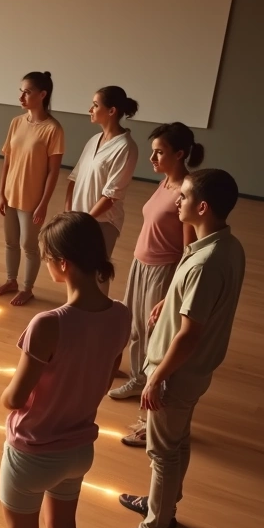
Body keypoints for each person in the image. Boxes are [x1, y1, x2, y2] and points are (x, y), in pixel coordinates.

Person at [0, 212, 130, 528]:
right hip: (79, 449)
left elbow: (15, 398)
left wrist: (4, 397)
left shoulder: (48, 324)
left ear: (62, 263)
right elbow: (106, 375)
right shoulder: (121, 314)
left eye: (47, 258)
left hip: (31, 453)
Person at [105, 168, 245, 528]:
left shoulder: (205, 262)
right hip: (195, 371)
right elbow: (201, 302)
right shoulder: (224, 246)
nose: (177, 201)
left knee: (161, 452)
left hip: (176, 374)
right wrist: (170, 300)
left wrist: (155, 379)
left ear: (201, 206)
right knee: (177, 442)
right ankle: (162, 506)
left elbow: (189, 334)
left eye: (182, 197)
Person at [108, 124, 202, 448]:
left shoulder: (185, 191)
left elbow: (189, 249)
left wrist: (173, 291)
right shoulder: (165, 181)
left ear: (179, 154)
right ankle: (137, 381)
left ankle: (149, 418)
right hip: (140, 264)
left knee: (155, 340)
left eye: (159, 152)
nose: (152, 157)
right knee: (134, 329)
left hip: (163, 271)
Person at [0, 72, 65, 306]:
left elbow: (53, 171)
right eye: (21, 91)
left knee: (29, 245)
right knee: (10, 241)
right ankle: (11, 280)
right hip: (11, 194)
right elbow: (7, 161)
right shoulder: (16, 122)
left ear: (42, 94)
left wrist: (43, 203)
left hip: (32, 198)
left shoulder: (53, 129)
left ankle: (27, 288)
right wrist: (1, 193)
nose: (21, 96)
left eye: (27, 92)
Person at [65, 86, 140, 295]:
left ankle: (99, 317)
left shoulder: (126, 147)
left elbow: (111, 195)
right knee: (75, 269)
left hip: (102, 222)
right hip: (80, 219)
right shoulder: (93, 140)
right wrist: (68, 214)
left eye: (96, 105)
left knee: (97, 272)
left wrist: (86, 220)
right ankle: (76, 311)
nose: (90, 109)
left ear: (112, 111)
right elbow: (73, 179)